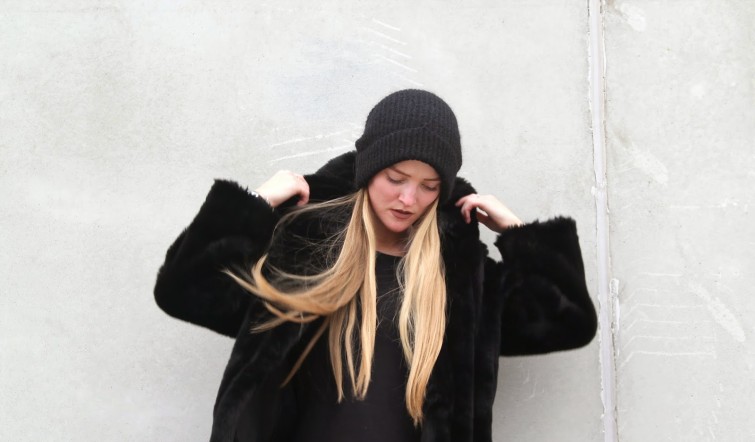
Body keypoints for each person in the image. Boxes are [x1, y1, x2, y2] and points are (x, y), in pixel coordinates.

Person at [154, 89, 598, 442]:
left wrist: (518, 233)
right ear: (369, 170)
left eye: (429, 186)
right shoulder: (302, 258)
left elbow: (569, 322)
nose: (408, 199)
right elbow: (182, 289)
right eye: (395, 178)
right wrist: (257, 203)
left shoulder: (460, 283)